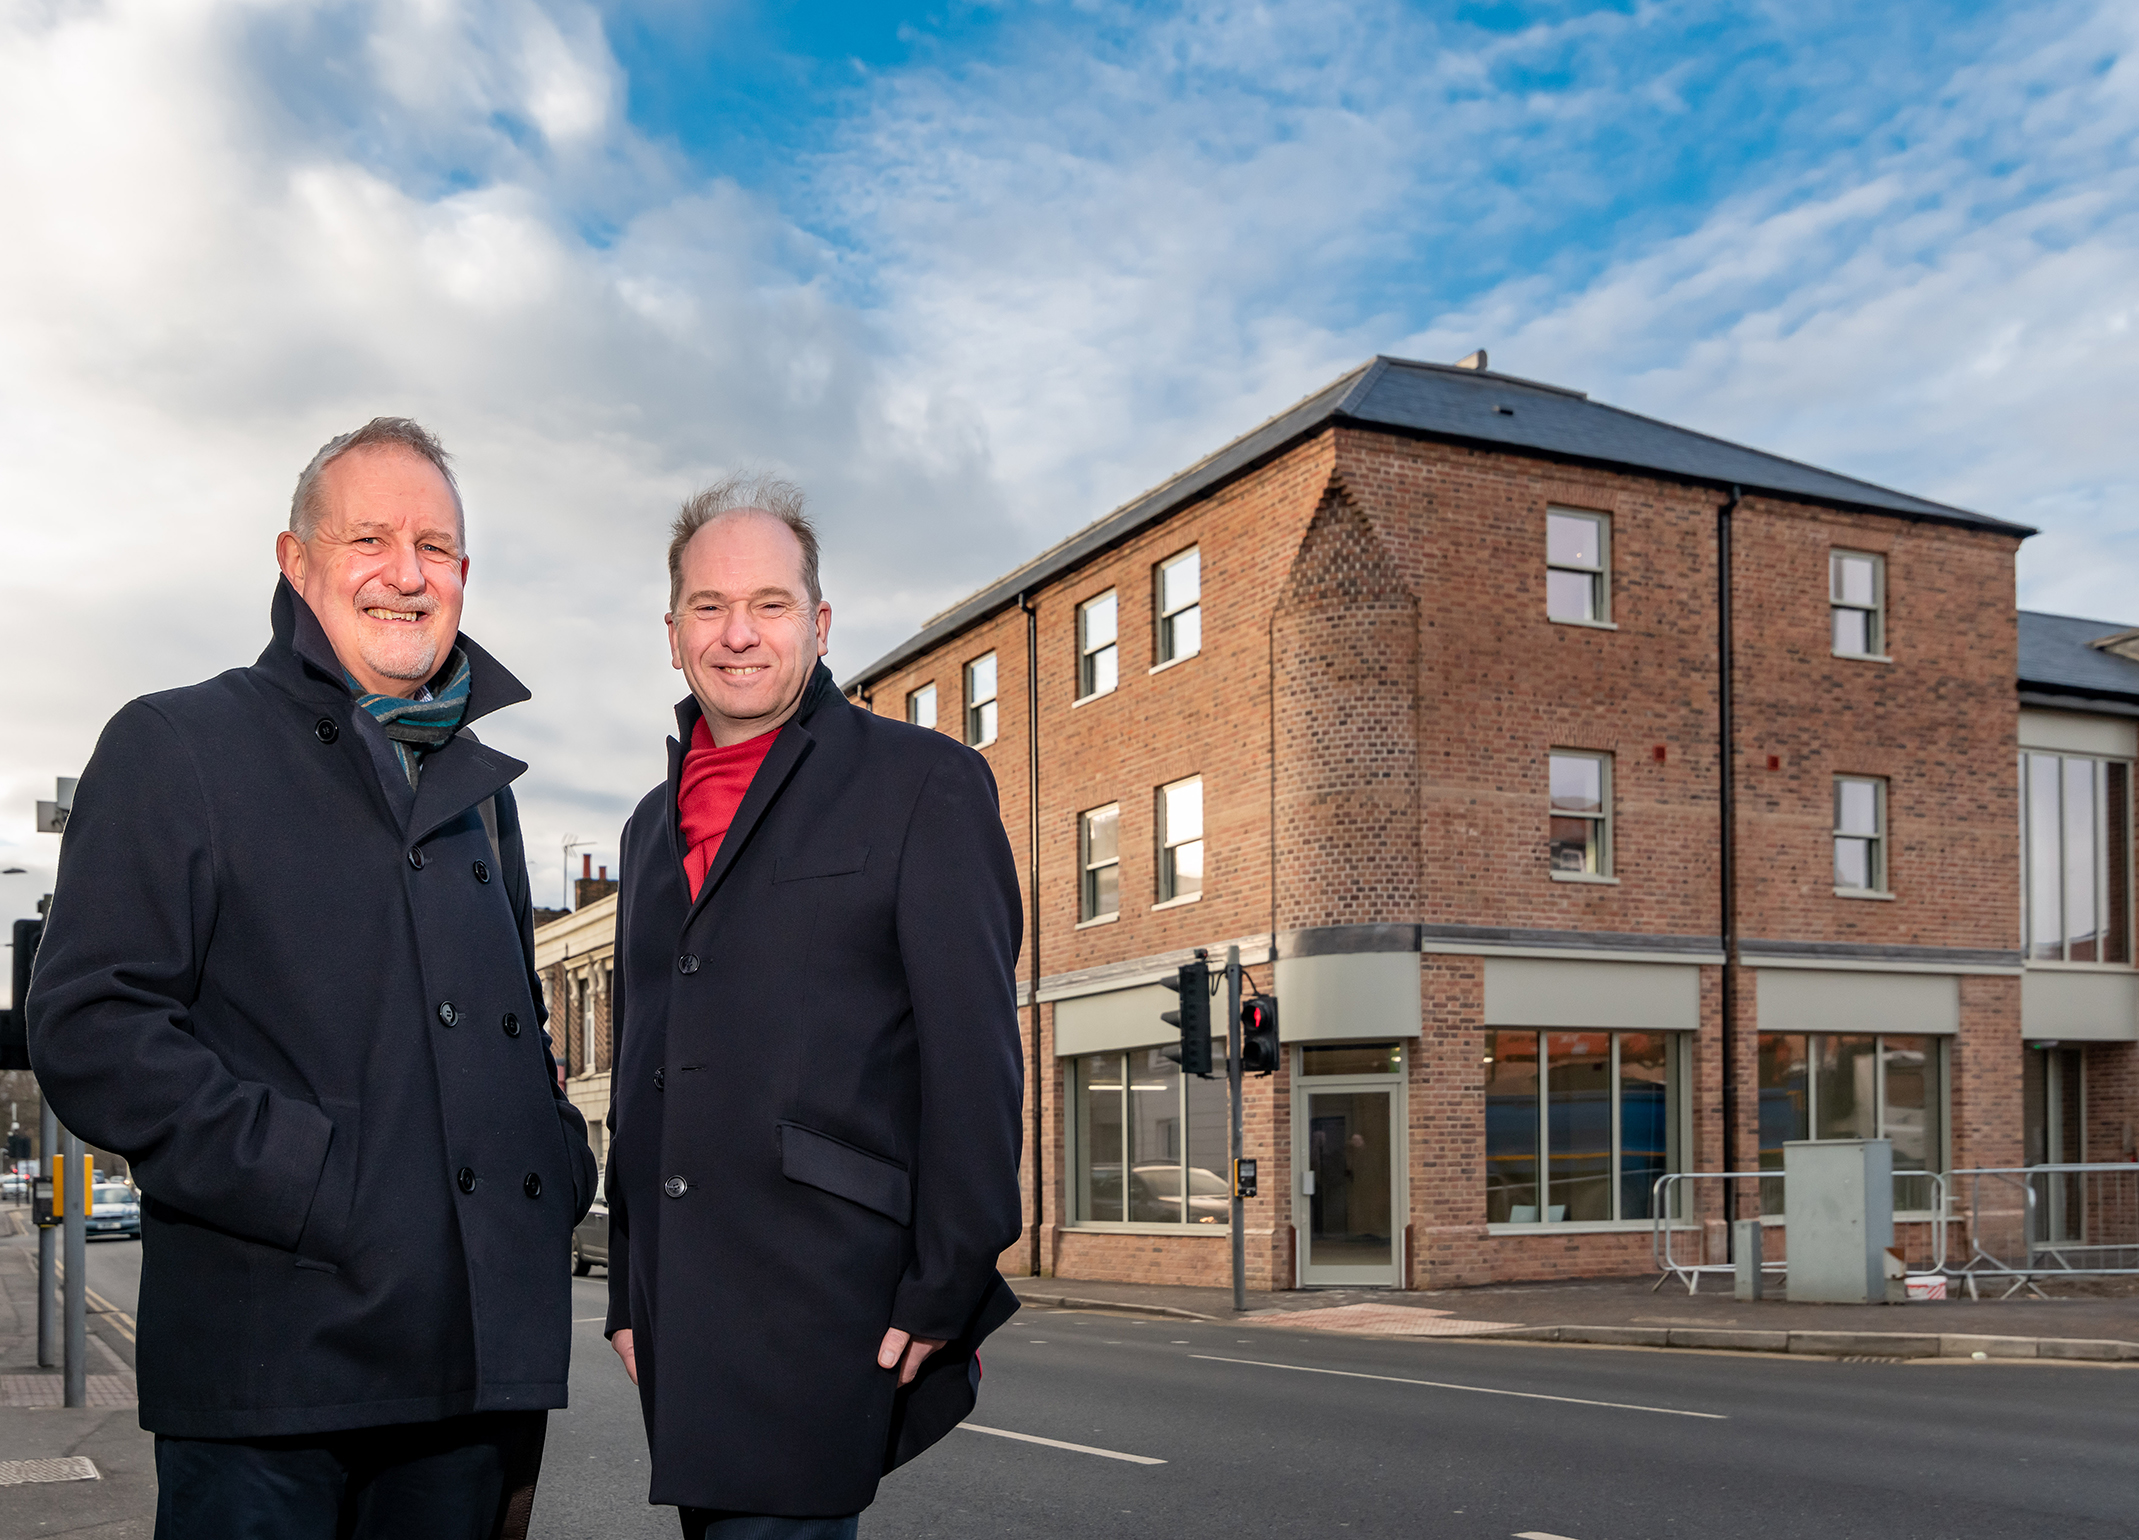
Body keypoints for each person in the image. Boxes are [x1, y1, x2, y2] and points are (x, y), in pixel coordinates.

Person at [28, 418, 598, 1540]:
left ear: (465, 577)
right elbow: (90, 1023)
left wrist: (551, 1160)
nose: (406, 573)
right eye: (370, 538)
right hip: (269, 1376)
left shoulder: (487, 790)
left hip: (469, 1374)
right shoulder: (176, 743)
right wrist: (311, 1177)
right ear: (296, 560)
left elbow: (511, 1027)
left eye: (436, 547)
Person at [605, 476, 1024, 1537]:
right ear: (672, 632)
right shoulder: (648, 830)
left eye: (770, 604)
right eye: (709, 606)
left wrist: (947, 1280)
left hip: (825, 1304)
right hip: (681, 1316)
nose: (737, 634)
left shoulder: (925, 784)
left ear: (820, 621)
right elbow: (649, 1050)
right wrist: (626, 1287)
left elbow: (974, 1058)